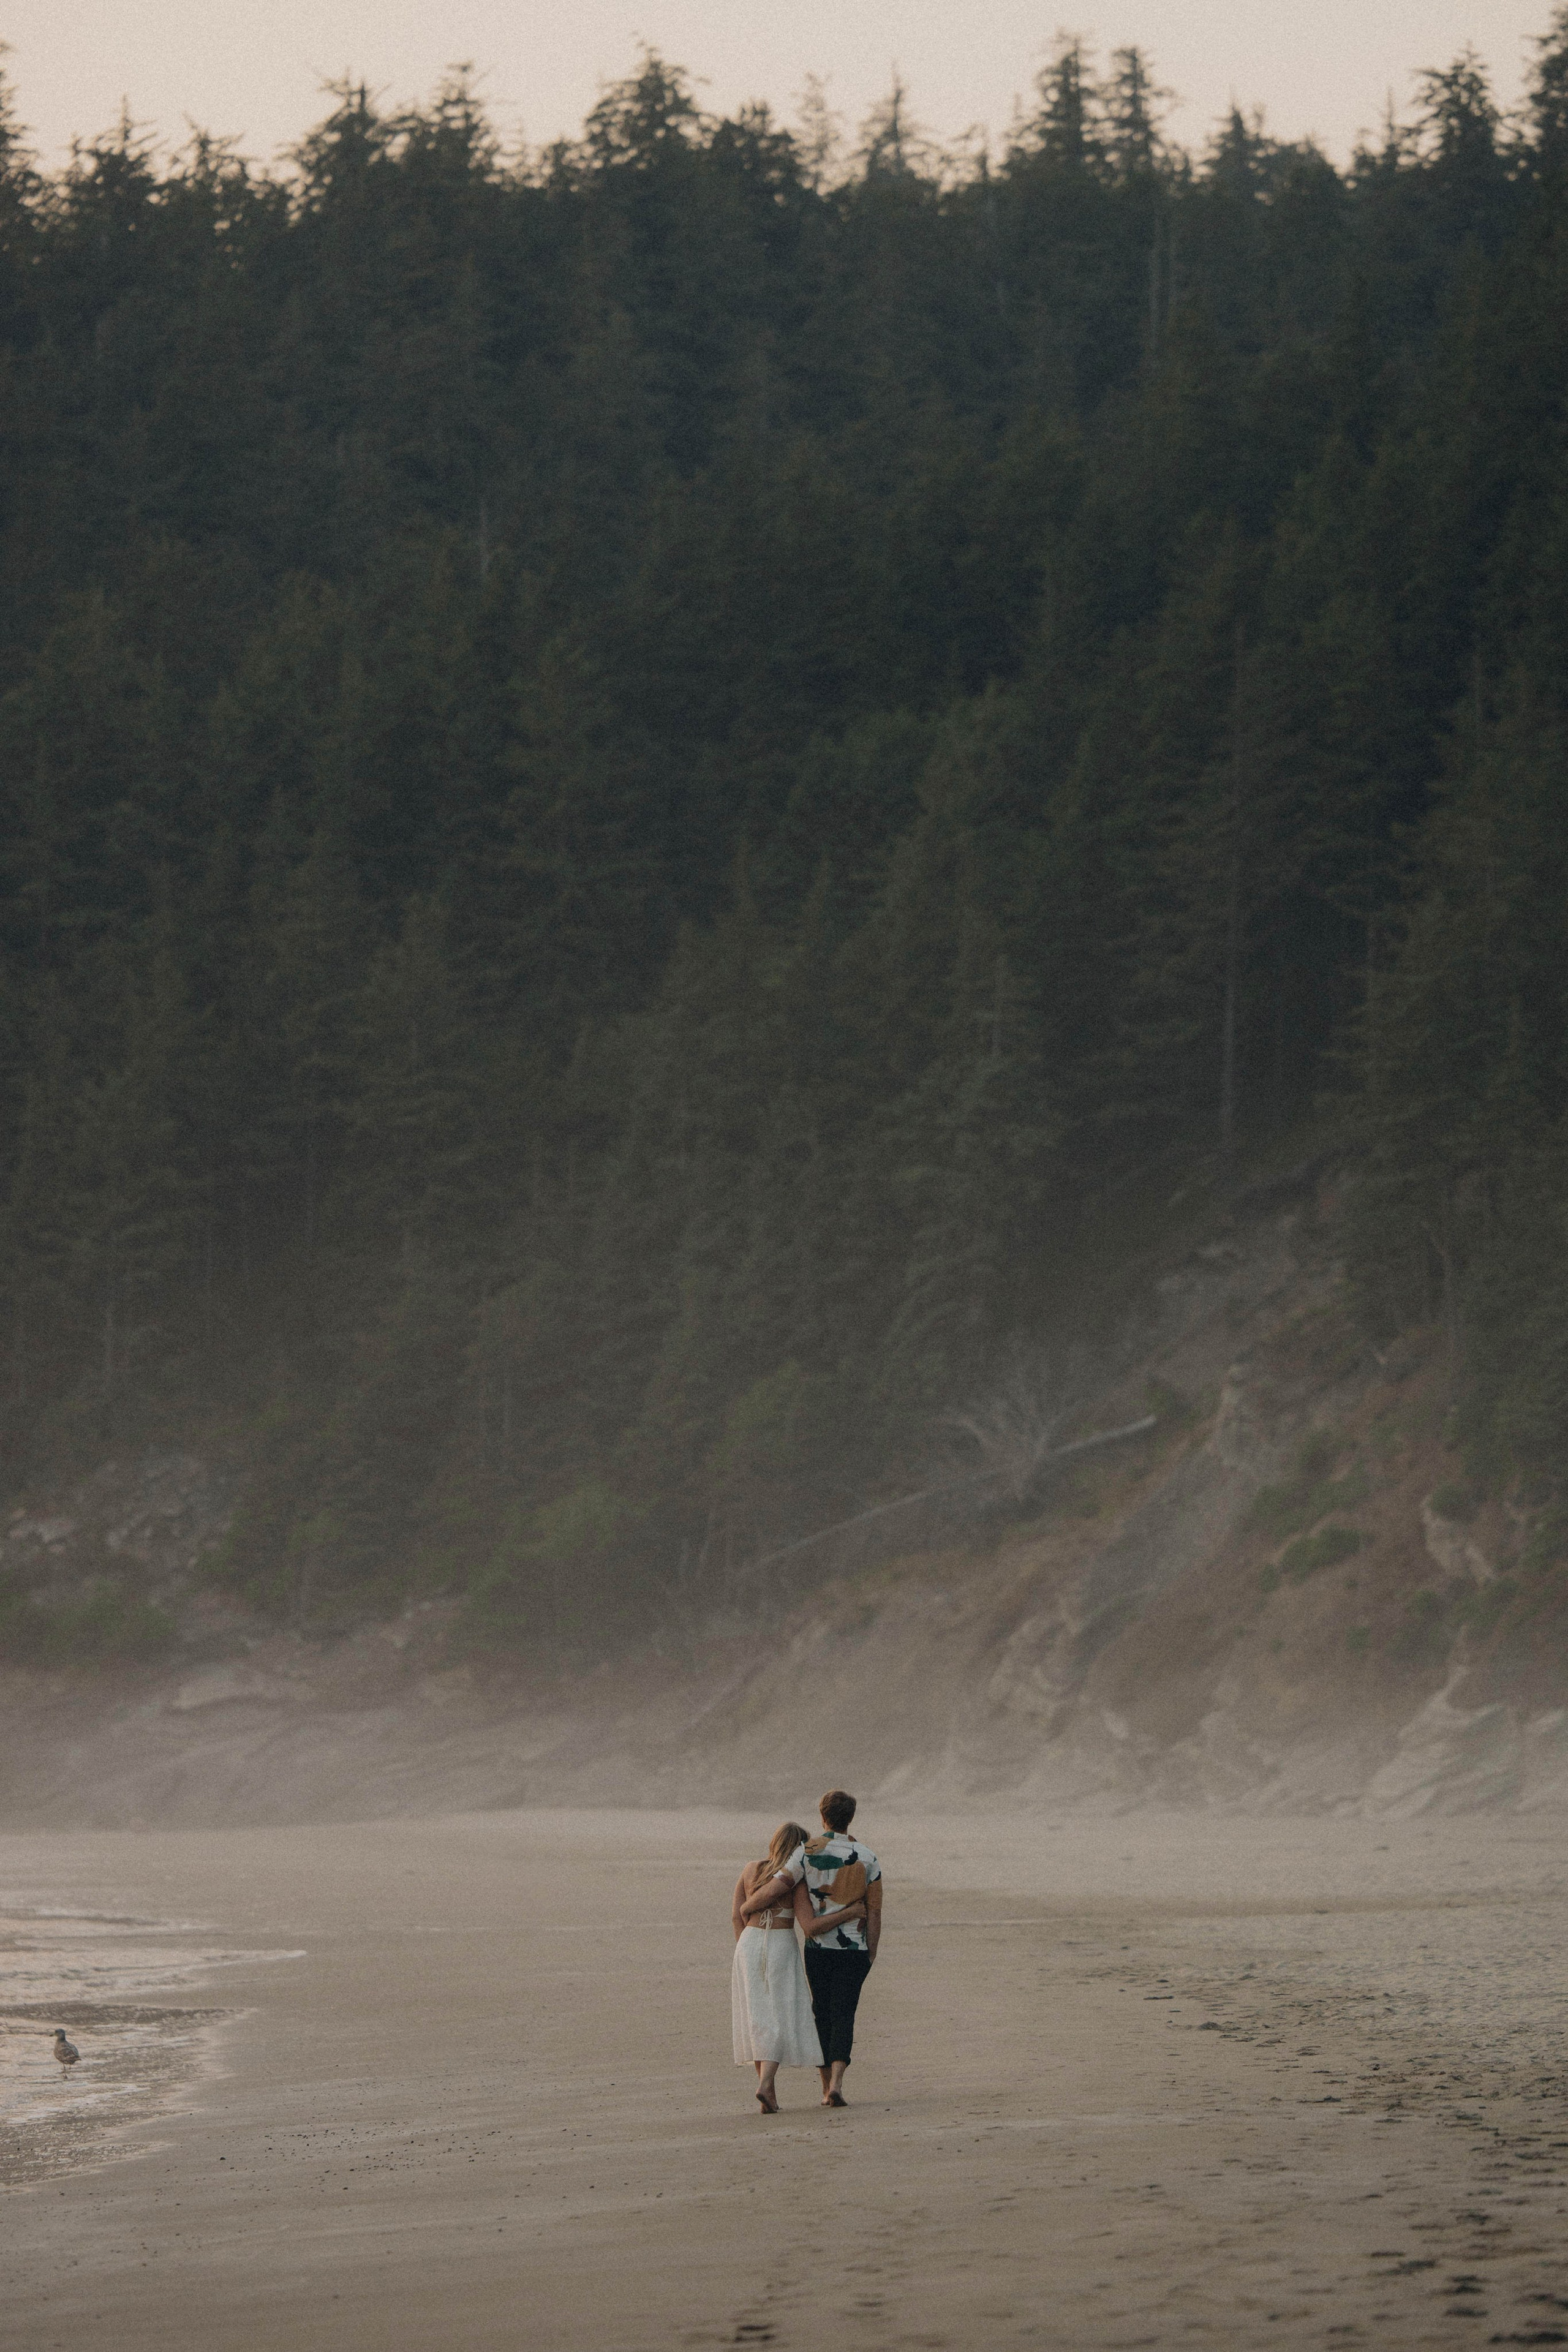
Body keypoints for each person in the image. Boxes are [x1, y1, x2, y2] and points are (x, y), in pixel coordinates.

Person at [739, 1789, 881, 2107]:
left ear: (822, 1816)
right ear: (851, 1818)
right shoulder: (869, 1856)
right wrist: (872, 1950)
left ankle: (821, 2086)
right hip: (854, 1949)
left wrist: (748, 1907)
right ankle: (837, 2085)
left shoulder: (806, 1851)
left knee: (821, 2014)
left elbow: (779, 1886)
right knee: (845, 2014)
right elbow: (875, 1910)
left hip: (816, 1950)